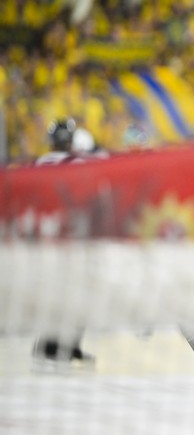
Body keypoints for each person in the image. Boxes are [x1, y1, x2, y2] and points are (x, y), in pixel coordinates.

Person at [32, 117, 95, 366]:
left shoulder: (39, 164)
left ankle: (48, 345)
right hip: (74, 240)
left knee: (55, 296)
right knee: (80, 296)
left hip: (48, 240)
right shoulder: (80, 163)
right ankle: (68, 347)